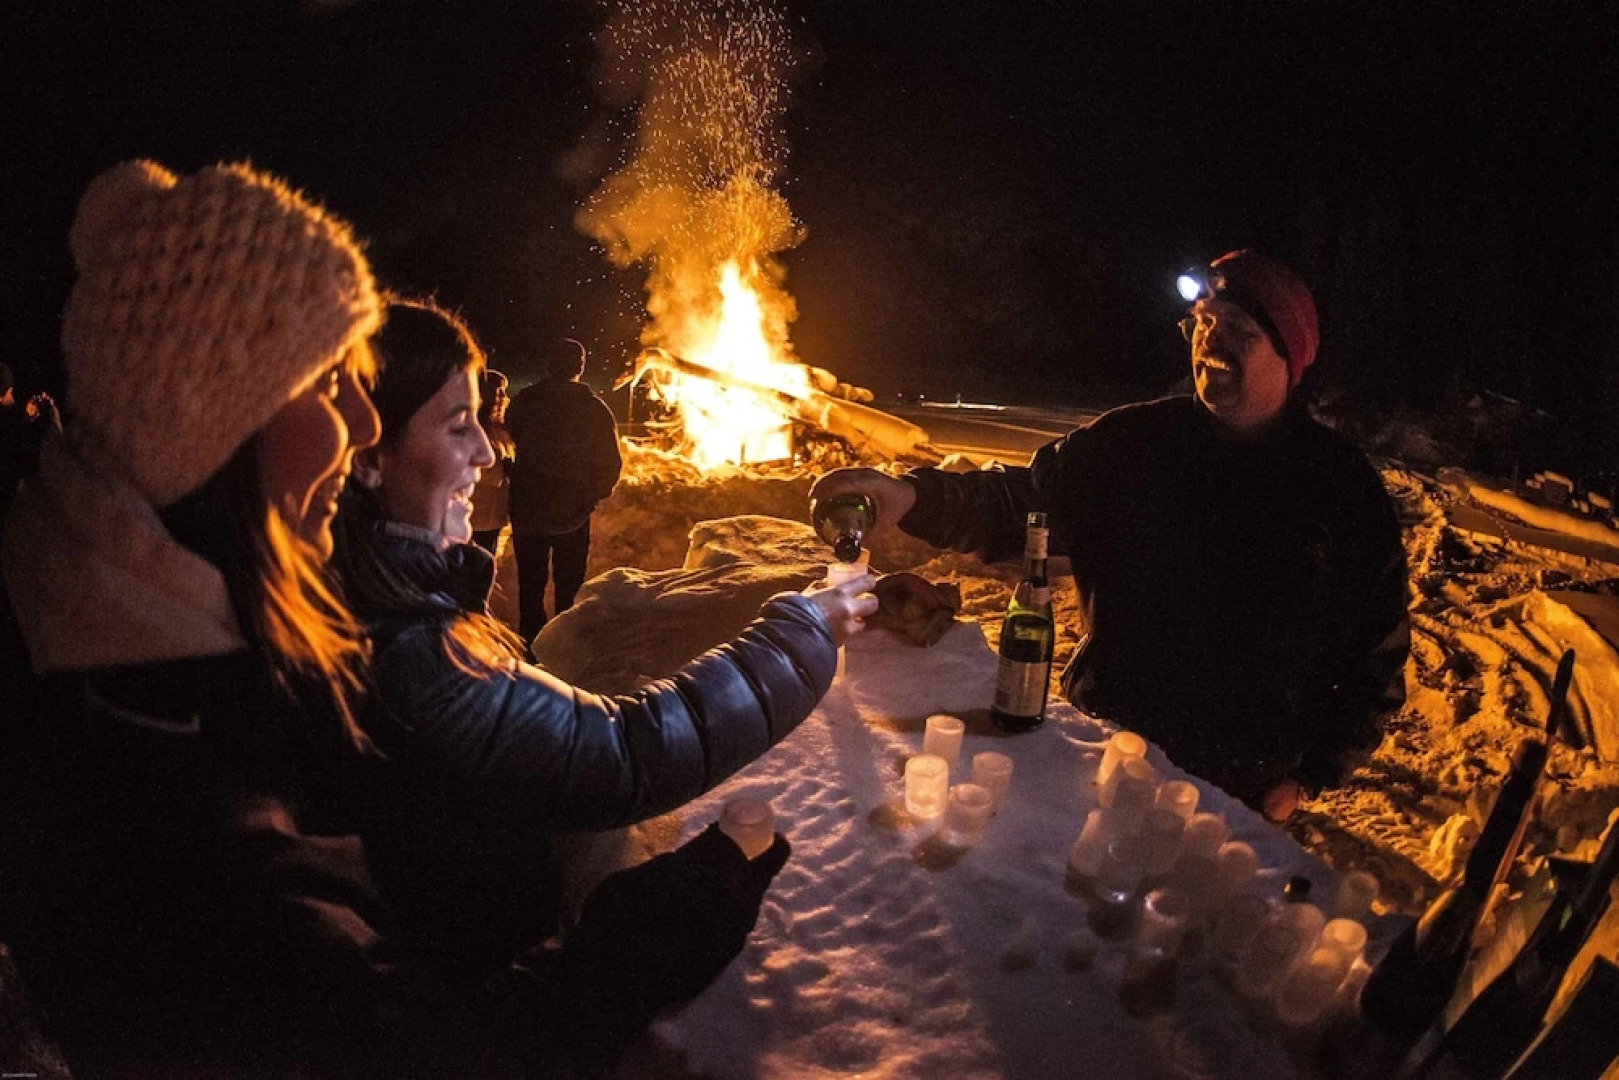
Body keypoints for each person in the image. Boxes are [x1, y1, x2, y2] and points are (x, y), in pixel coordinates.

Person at [0, 159, 490, 1075]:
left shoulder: (180, 661)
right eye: (326, 383)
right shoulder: (177, 819)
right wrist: (652, 930)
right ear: (204, 423)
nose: (365, 425)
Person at [328, 299, 878, 1064]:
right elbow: (622, 755)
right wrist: (804, 630)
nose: (487, 452)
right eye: (457, 426)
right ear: (364, 454)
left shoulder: (376, 594)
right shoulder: (404, 649)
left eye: (482, 418)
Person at [810, 250, 1410, 821]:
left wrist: (1307, 780)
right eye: (1203, 322)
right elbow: (1020, 504)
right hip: (1104, 738)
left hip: (1243, 781)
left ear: (1290, 356)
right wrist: (912, 497)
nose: (1210, 342)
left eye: (1240, 330)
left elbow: (1376, 657)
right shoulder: (1133, 446)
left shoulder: (1340, 490)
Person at [505, 337, 623, 641]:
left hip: (528, 512)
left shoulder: (524, 403)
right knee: (568, 588)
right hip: (573, 516)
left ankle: (531, 647)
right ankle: (562, 648)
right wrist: (592, 495)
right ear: (581, 367)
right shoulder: (595, 409)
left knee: (530, 587)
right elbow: (610, 463)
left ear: (547, 365)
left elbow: (513, 434)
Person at [469, 366, 514, 554]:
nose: (503, 396)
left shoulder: (499, 429)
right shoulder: (473, 428)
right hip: (474, 516)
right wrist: (503, 470)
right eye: (498, 391)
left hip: (493, 516)